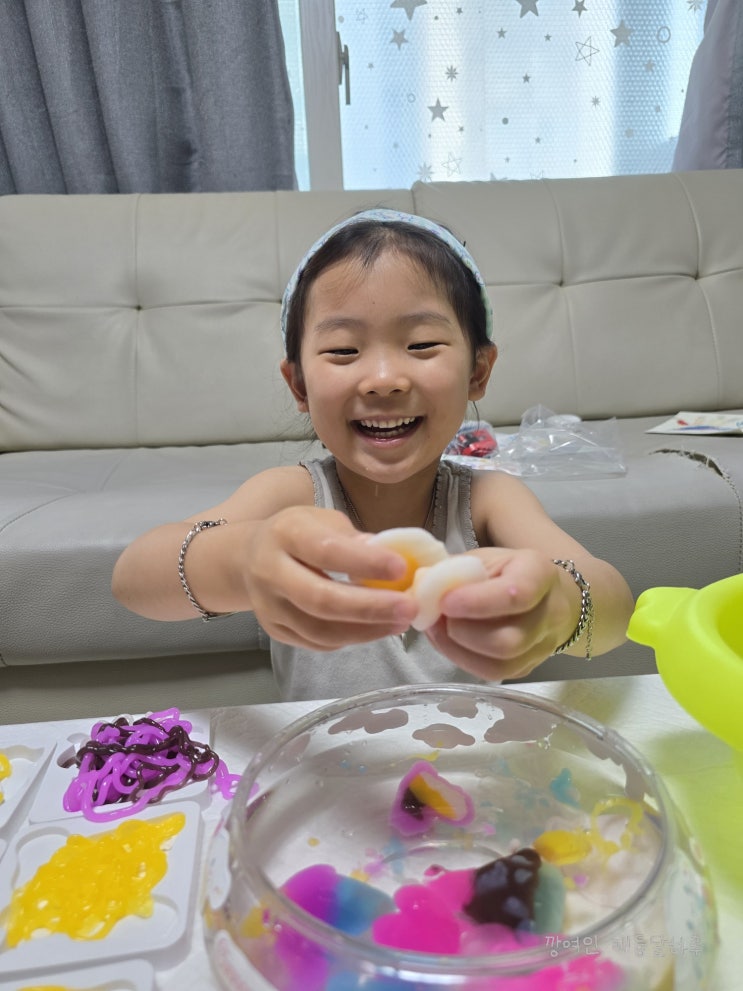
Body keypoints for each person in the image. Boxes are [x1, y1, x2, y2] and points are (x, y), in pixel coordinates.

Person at [112, 209, 634, 700]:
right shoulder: (293, 496)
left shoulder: (487, 498)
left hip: (473, 755)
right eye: (344, 350)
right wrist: (241, 563)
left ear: (477, 372)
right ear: (299, 385)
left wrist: (559, 604)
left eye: (421, 344)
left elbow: (615, 606)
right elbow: (133, 578)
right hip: (321, 758)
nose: (383, 380)